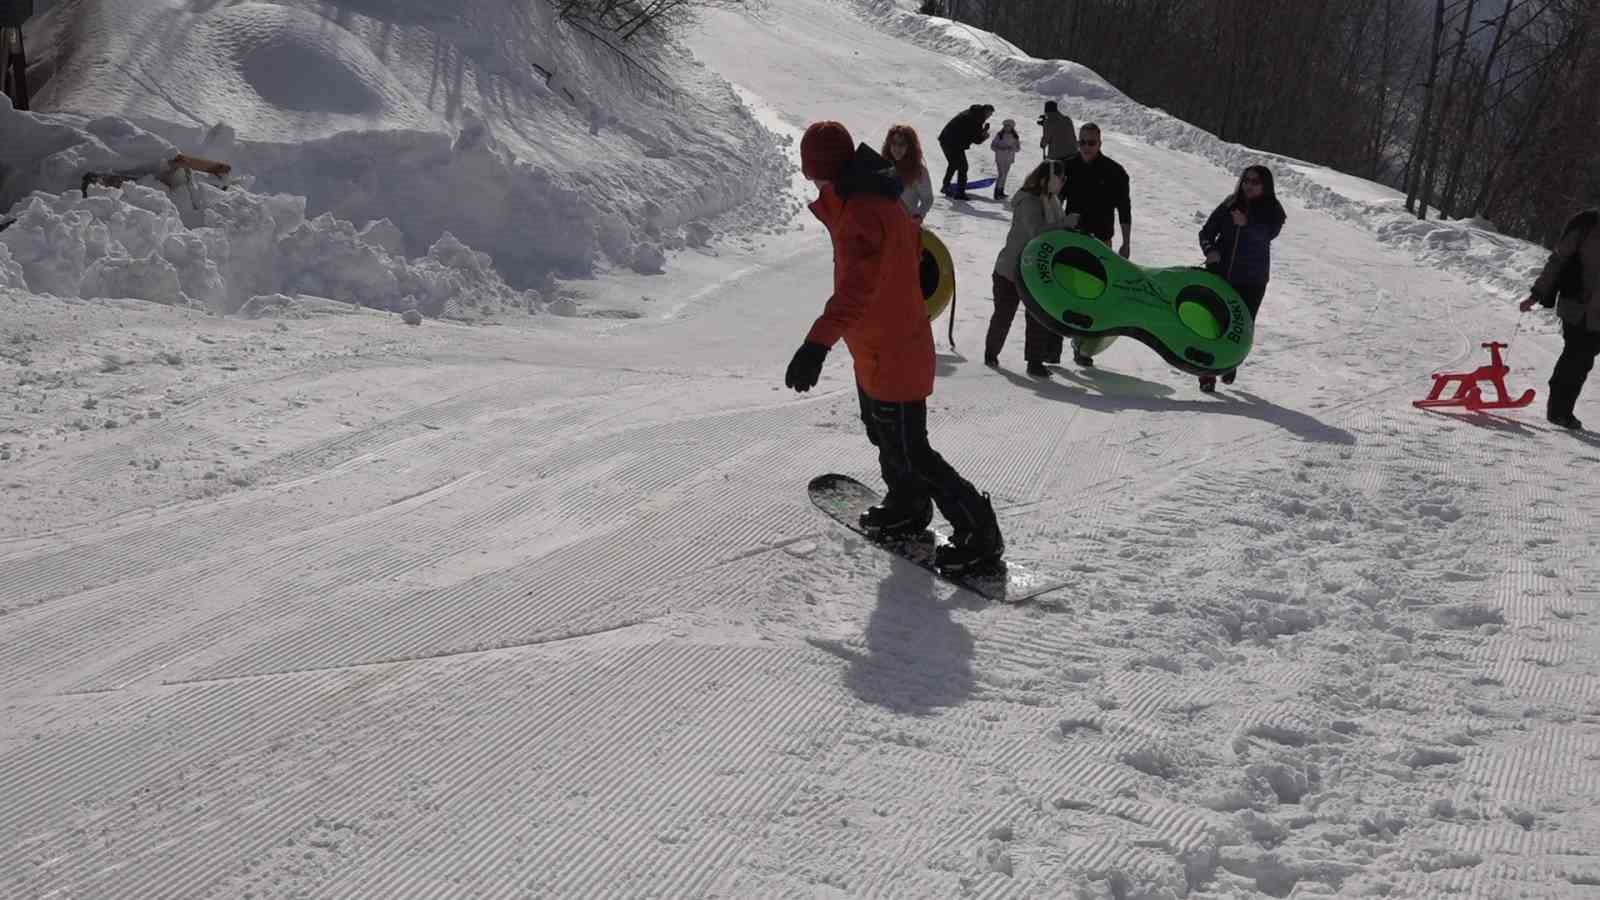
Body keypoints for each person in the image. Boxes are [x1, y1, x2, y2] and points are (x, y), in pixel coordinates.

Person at [784, 121, 1004, 573]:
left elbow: (856, 291)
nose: (809, 178)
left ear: (821, 167)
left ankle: (978, 532)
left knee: (911, 449)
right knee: (884, 434)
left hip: (895, 349)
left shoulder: (865, 211)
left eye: (811, 169)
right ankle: (908, 504)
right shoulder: (859, 198)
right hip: (876, 349)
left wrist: (815, 345)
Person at [1197, 164, 1287, 392]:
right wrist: (1211, 251)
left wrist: (1246, 224)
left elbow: (1268, 235)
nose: (1248, 185)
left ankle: (1230, 361)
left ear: (1265, 186)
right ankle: (1207, 373)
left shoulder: (1273, 210)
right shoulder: (1230, 203)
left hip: (1252, 280)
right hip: (1221, 274)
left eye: (1255, 182)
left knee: (1240, 326)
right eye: (1246, 180)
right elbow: (1207, 231)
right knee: (1212, 323)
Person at [1519, 208, 1600, 429]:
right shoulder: (1586, 224)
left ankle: (1564, 409)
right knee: (1575, 354)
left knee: (1584, 361)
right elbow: (1558, 260)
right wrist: (1537, 293)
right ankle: (1558, 410)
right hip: (1576, 304)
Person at [1058, 123, 1131, 367]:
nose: (1086, 147)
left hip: (1101, 242)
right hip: (1071, 238)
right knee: (1065, 291)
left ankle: (1082, 348)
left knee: (1093, 297)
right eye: (1083, 142)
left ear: (1100, 143)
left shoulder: (1114, 171)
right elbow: (1055, 201)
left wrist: (1126, 243)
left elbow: (1125, 209)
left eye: (1092, 143)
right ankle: (1051, 348)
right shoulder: (1068, 167)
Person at [987, 160, 1069, 376]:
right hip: (1010, 269)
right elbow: (1037, 232)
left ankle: (1035, 362)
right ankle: (990, 354)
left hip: (1034, 271)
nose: (1062, 182)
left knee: (1037, 318)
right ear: (1048, 179)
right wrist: (1065, 224)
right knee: (1004, 314)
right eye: (1060, 178)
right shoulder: (1029, 201)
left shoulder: (1052, 201)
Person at [937, 104, 994, 200]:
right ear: (985, 111)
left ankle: (946, 186)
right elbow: (976, 140)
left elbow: (972, 133)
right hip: (953, 143)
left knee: (954, 164)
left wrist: (982, 131)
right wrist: (984, 135)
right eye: (989, 114)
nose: (989, 116)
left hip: (946, 140)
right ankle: (960, 193)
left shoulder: (972, 113)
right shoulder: (976, 119)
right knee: (963, 167)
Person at [881, 124, 933, 224]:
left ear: (910, 147)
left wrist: (918, 216)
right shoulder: (883, 165)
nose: (897, 148)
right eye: (894, 144)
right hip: (883, 223)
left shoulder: (919, 171)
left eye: (901, 144)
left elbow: (927, 199)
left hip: (905, 224)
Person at [989, 119, 1021, 200]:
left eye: (1009, 126)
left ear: (1012, 127)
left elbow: (1018, 148)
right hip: (1000, 158)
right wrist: (1000, 149)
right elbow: (993, 146)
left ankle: (1001, 191)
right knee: (1001, 175)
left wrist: (1012, 149)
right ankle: (996, 192)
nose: (1007, 128)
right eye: (1005, 126)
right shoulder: (999, 135)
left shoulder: (1015, 136)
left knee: (1005, 175)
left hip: (1009, 159)